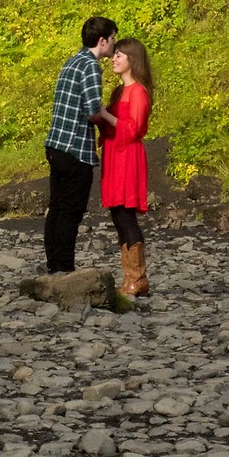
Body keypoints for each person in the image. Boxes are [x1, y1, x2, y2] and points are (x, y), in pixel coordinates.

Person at [42, 15, 116, 273]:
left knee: (57, 207)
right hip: (75, 148)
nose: (114, 45)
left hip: (56, 144)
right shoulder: (91, 66)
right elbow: (93, 109)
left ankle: (54, 266)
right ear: (102, 40)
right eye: (112, 39)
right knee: (70, 212)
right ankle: (64, 268)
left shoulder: (72, 61)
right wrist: (114, 120)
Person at [95, 38, 154, 297]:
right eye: (114, 54)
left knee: (125, 214)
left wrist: (106, 115)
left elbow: (135, 129)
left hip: (127, 156)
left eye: (119, 55)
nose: (113, 59)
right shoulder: (119, 92)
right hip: (114, 154)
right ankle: (131, 277)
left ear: (133, 59)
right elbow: (111, 125)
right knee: (117, 214)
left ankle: (137, 277)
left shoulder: (139, 92)